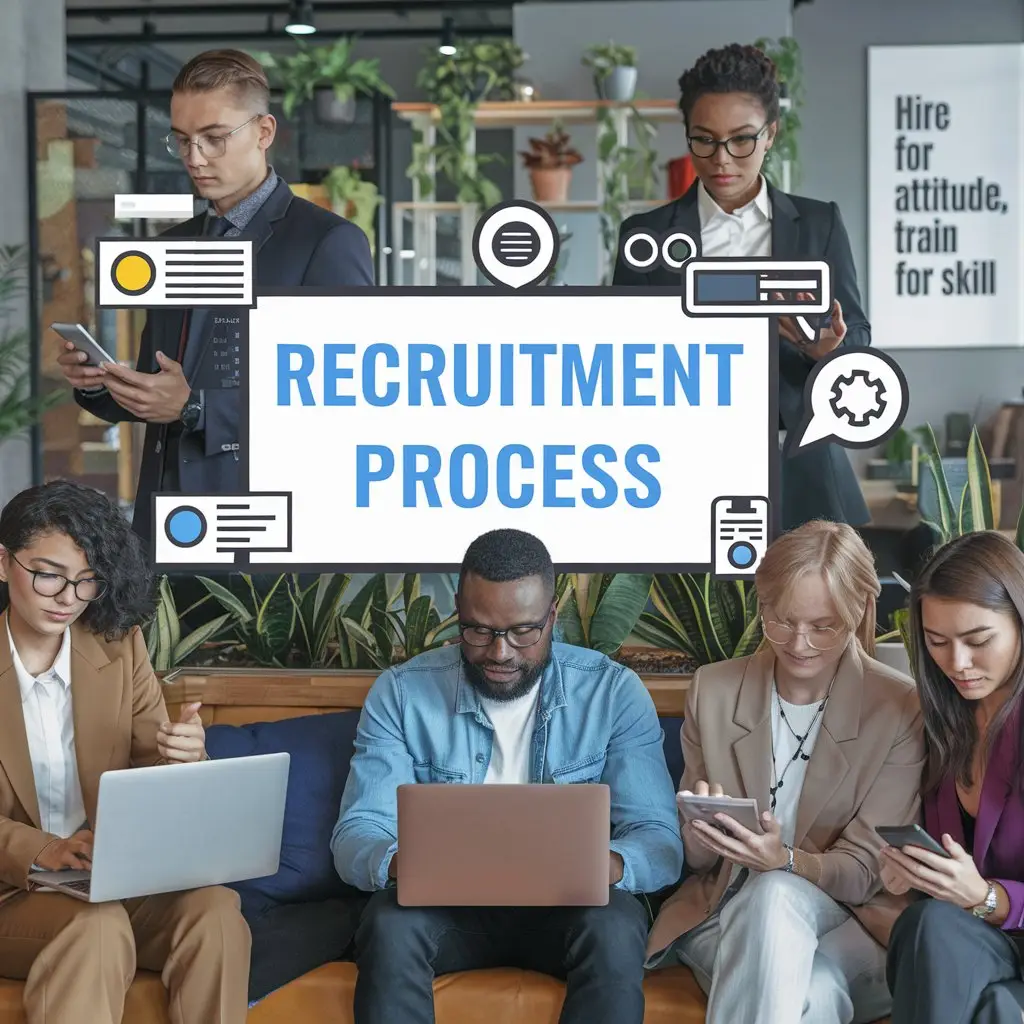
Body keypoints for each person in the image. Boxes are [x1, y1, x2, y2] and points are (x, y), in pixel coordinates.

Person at [331, 528, 683, 1024]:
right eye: (479, 630)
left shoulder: (613, 693)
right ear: (458, 609)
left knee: (615, 925)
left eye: (523, 631)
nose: (500, 653)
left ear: (552, 616)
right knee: (388, 923)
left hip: (569, 915)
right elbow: (357, 832)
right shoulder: (402, 694)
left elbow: (661, 840)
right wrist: (396, 863)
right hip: (449, 914)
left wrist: (608, 865)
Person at [56, 48, 375, 545]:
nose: (194, 158)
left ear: (264, 132)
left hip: (266, 538)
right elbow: (157, 389)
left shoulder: (326, 243)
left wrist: (196, 407)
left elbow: (348, 397)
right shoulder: (172, 248)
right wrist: (101, 382)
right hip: (165, 530)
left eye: (214, 138)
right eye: (182, 140)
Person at [645, 519, 926, 1023]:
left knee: (776, 893)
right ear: (763, 605)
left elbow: (864, 872)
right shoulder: (714, 691)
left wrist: (786, 862)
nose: (799, 643)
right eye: (782, 620)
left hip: (852, 922)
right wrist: (701, 838)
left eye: (824, 626)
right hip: (726, 911)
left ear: (862, 608)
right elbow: (696, 863)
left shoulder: (897, 706)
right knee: (811, 993)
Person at [0, 480, 250, 1023]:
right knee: (97, 925)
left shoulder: (118, 648)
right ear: (3, 563)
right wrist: (42, 850)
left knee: (216, 910)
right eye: (48, 574)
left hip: (108, 882)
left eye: (87, 581)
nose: (68, 597)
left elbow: (149, 774)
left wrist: (183, 760)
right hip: (14, 891)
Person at [613, 44, 871, 532]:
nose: (722, 159)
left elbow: (857, 336)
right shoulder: (645, 236)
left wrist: (826, 353)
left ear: (770, 134)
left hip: (800, 467)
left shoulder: (820, 224)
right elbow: (623, 358)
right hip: (684, 467)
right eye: (704, 140)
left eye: (741, 140)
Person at [883, 531, 1024, 1023]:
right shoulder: (943, 722)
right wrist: (914, 873)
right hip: (973, 946)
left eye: (978, 640)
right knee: (928, 926)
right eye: (937, 642)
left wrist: (989, 898)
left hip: (992, 937)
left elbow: (977, 897)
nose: (957, 664)